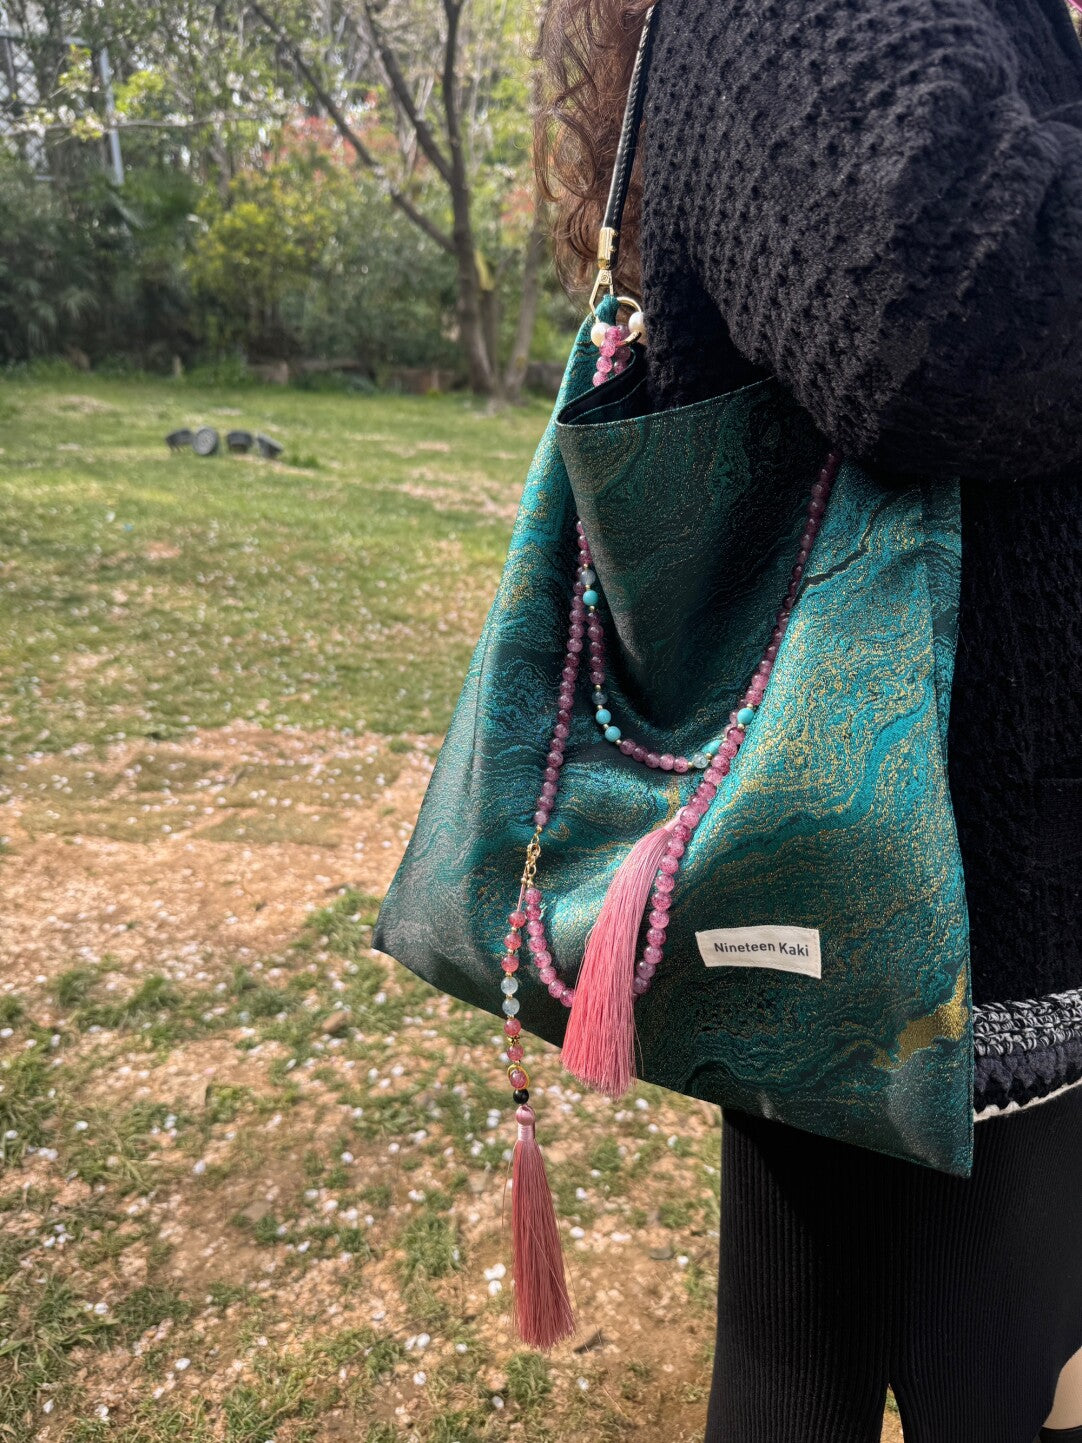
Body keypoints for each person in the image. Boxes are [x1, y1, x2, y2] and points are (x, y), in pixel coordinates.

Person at [535, 2, 1082, 1440]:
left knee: (809, 1341)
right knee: (985, 1370)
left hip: (914, 847)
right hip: (948, 877)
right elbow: (939, 322)